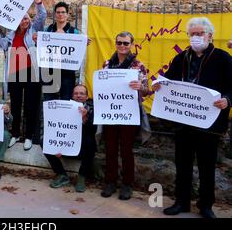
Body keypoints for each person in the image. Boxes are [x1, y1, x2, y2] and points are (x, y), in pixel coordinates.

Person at [153, 17, 232, 218]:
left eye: (199, 33)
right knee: (182, 163)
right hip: (183, 122)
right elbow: (168, 82)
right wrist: (159, 86)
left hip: (210, 123)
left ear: (210, 35)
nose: (195, 37)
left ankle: (206, 205)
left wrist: (228, 101)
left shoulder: (223, 58)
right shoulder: (181, 58)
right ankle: (182, 202)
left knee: (207, 166)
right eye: (192, 34)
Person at [0, 0, 46, 151]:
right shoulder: (11, 35)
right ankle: (15, 134)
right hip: (15, 72)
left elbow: (42, 16)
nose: (25, 22)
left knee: (30, 105)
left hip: (31, 73)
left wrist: (38, 2)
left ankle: (28, 136)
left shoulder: (34, 30)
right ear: (17, 22)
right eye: (22, 20)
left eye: (27, 18)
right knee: (15, 105)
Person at [100, 31, 150, 200]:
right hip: (110, 112)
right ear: (115, 44)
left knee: (127, 150)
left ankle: (127, 184)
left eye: (126, 43)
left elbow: (147, 91)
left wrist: (140, 87)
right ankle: (110, 182)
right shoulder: (107, 64)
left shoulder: (138, 66)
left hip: (130, 113)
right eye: (119, 42)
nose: (122, 46)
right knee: (110, 149)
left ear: (131, 45)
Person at [44, 84, 97, 192]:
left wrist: (84, 118)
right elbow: (56, 128)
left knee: (90, 142)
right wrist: (57, 145)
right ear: (72, 96)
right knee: (45, 142)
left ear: (87, 97)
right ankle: (61, 174)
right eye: (76, 93)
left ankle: (82, 177)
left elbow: (92, 131)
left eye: (82, 93)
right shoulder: (63, 108)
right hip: (65, 146)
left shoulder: (92, 110)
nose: (78, 95)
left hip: (82, 149)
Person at [42, 1, 80, 102]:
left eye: (63, 12)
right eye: (58, 12)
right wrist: (36, 40)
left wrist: (83, 43)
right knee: (49, 102)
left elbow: (77, 51)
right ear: (55, 14)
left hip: (67, 73)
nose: (60, 14)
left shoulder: (74, 32)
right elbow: (42, 48)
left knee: (66, 101)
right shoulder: (47, 30)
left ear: (67, 14)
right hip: (50, 72)